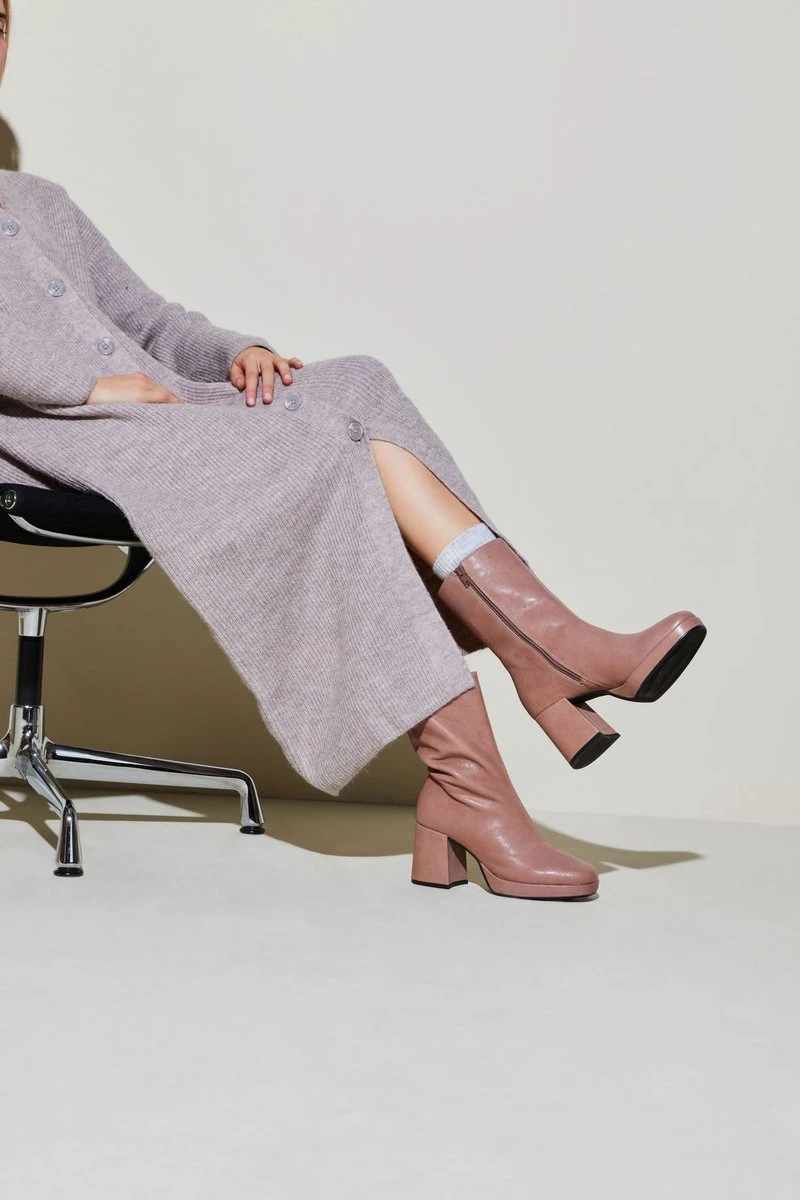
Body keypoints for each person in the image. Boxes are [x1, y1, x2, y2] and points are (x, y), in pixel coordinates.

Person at [0, 2, 706, 901]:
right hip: (53, 445)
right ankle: (486, 764)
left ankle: (541, 649)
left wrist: (237, 351)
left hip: (161, 414)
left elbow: (150, 320)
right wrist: (85, 390)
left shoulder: (40, 203)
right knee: (320, 455)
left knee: (358, 387)